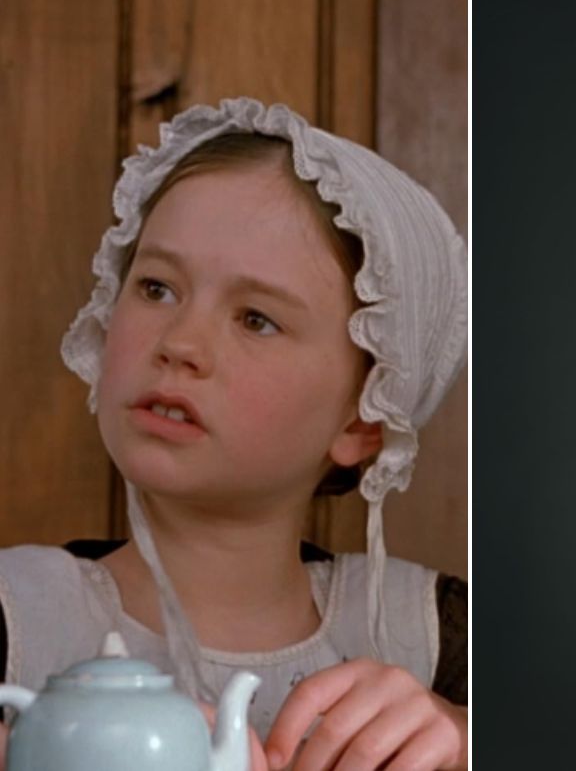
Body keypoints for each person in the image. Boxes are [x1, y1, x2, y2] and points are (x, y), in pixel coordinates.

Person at [0, 98, 468, 770]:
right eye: (157, 287)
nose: (180, 343)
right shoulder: (17, 615)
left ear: (364, 417)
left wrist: (466, 739)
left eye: (255, 319)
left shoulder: (440, 639)